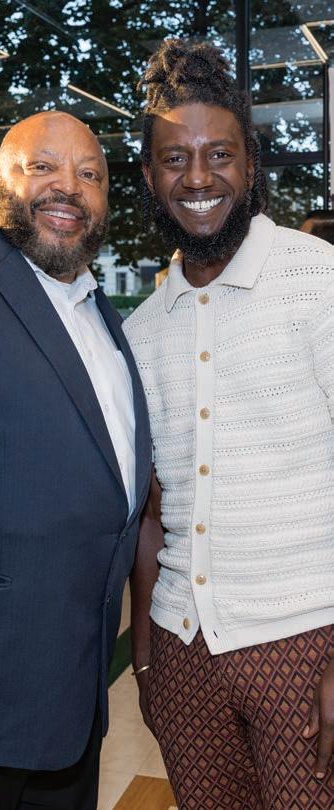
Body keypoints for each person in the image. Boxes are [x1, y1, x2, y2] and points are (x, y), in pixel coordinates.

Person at [0, 110, 151, 810]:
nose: (68, 186)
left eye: (90, 174)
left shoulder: (101, 315)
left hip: (67, 712)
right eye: (42, 166)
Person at [123, 40, 334, 809]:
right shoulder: (142, 330)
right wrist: (146, 661)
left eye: (219, 154)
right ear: (150, 176)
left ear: (251, 165)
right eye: (175, 159)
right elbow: (151, 511)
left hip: (309, 643)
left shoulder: (319, 282)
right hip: (182, 651)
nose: (198, 177)